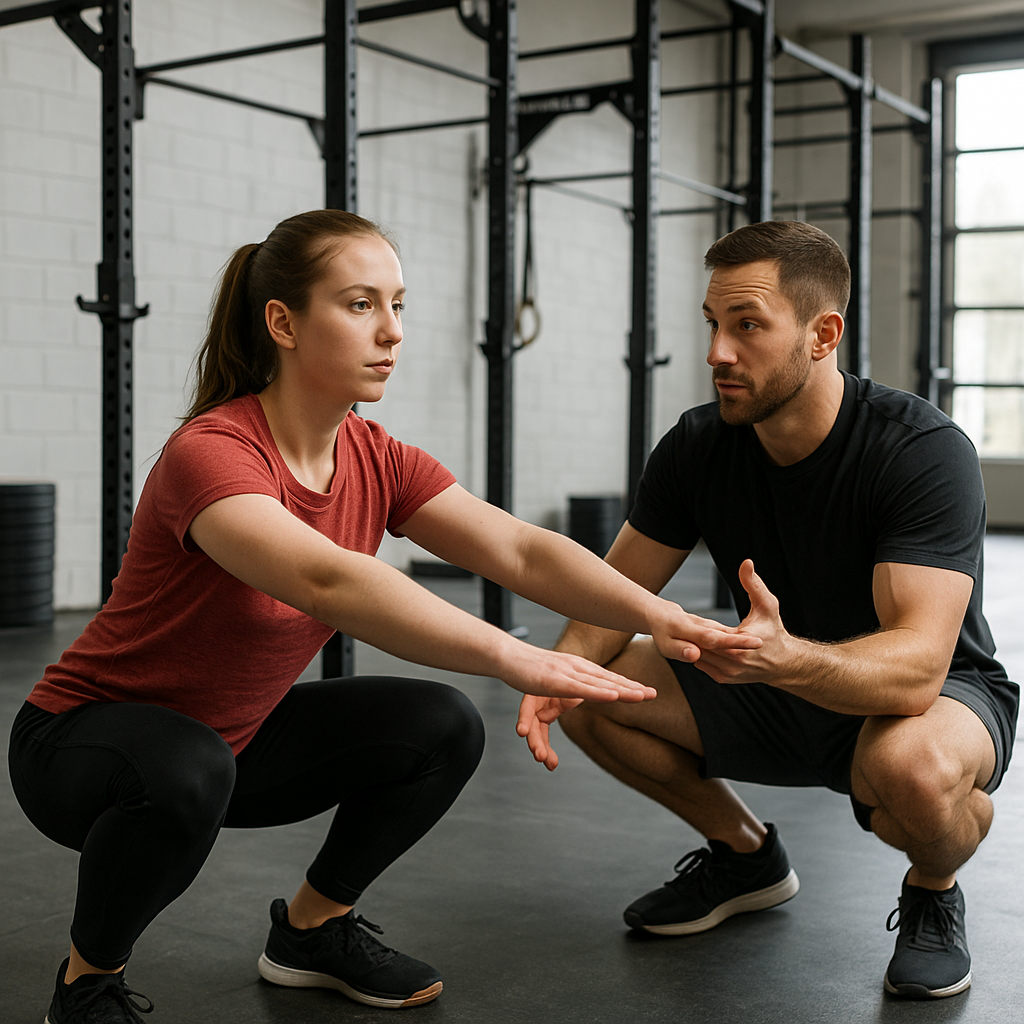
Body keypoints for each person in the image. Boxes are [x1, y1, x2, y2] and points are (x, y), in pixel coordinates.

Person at [7, 210, 757, 1024]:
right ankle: (86, 985)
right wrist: (509, 653)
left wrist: (661, 616)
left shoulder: (376, 456)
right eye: (361, 305)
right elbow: (329, 580)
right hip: (82, 746)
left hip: (236, 740)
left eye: (399, 305)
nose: (392, 333)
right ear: (283, 323)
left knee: (439, 725)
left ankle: (312, 930)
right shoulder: (212, 453)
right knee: (185, 768)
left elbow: (521, 551)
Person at [517, 220, 1018, 1000]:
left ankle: (932, 887)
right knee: (591, 685)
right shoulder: (697, 445)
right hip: (773, 681)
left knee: (910, 774)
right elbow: (612, 598)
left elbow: (918, 669)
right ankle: (745, 856)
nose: (719, 351)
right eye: (714, 325)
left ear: (823, 335)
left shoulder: (918, 448)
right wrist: (558, 667)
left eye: (748, 326)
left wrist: (788, 660)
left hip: (924, 699)